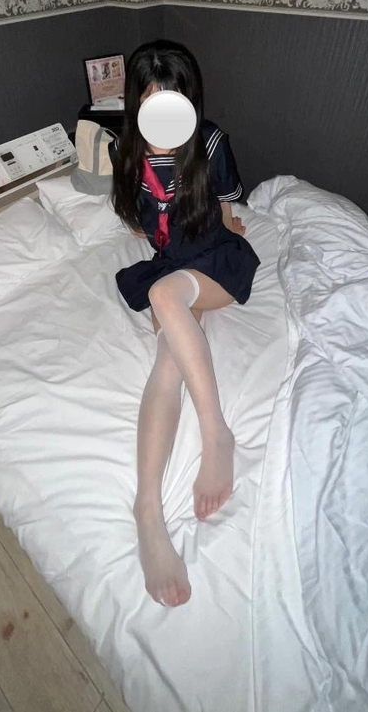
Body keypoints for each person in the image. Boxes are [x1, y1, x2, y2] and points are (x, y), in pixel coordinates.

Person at [110, 40, 260, 607]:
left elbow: (225, 208)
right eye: (151, 102)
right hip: (172, 265)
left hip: (214, 262)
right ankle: (147, 512)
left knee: (165, 294)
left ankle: (215, 433)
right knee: (166, 361)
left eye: (173, 101)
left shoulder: (211, 141)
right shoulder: (126, 150)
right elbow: (137, 220)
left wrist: (231, 226)